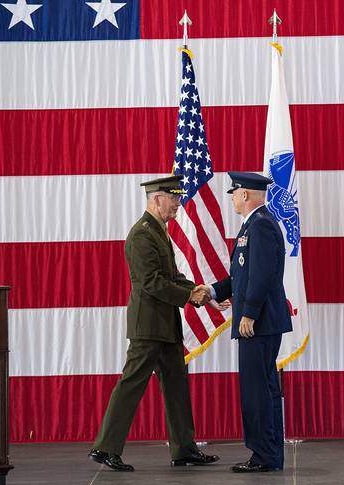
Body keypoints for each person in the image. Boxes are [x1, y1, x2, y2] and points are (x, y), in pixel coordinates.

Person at [88, 175, 219, 471]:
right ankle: (105, 448)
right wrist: (191, 296)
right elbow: (151, 283)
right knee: (132, 383)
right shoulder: (141, 234)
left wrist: (204, 293)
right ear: (157, 198)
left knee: (176, 385)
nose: (177, 203)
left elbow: (171, 276)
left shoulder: (159, 232)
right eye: (173, 198)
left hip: (164, 325)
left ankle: (184, 450)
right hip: (148, 326)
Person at [207, 172, 293, 473]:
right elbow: (242, 276)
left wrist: (249, 312)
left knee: (258, 391)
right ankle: (267, 454)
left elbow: (263, 274)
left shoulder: (261, 225)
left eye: (233, 193)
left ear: (244, 194)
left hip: (258, 322)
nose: (231, 198)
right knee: (261, 388)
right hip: (258, 320)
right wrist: (213, 291)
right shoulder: (252, 226)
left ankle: (264, 456)